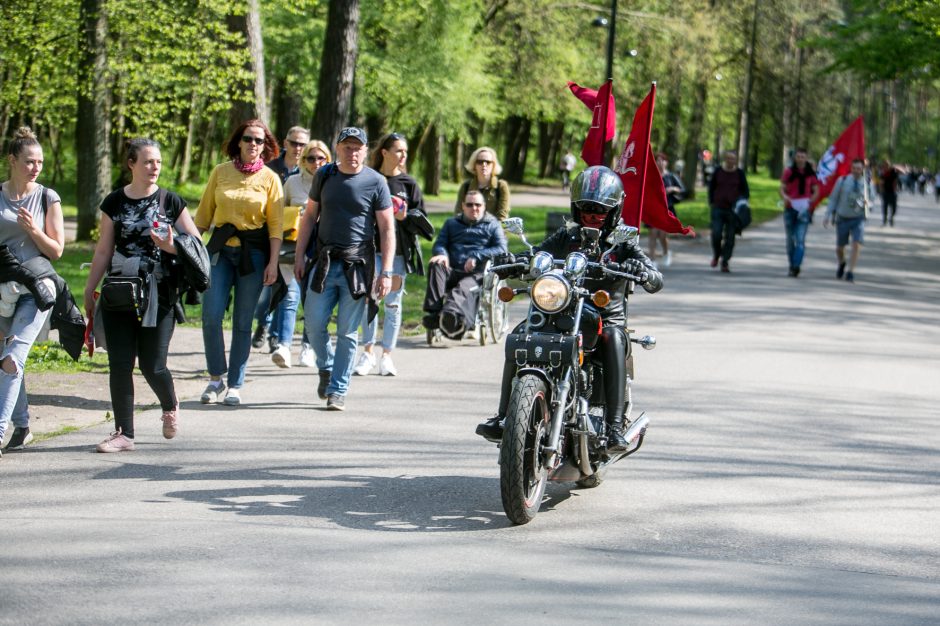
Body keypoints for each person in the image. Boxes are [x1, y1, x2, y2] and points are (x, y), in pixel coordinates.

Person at [476, 166, 663, 451]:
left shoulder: (622, 243)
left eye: (599, 212)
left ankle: (614, 427)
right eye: (586, 210)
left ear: (613, 211)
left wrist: (642, 270)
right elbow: (538, 253)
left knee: (613, 337)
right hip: (561, 311)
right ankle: (504, 416)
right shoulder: (567, 238)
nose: (592, 217)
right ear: (576, 210)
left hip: (604, 318)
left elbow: (654, 277)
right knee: (521, 331)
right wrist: (515, 260)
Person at [83, 139, 201, 453]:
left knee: (153, 366)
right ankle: (124, 433)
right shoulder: (114, 202)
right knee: (120, 364)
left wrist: (171, 246)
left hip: (159, 294)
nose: (154, 167)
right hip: (120, 291)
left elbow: (197, 244)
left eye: (158, 162)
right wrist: (89, 289)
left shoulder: (170, 201)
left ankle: (170, 403)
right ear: (131, 164)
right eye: (148, 161)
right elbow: (104, 249)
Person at [292, 127, 394, 411]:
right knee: (313, 324)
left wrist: (385, 272)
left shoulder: (376, 181)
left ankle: (337, 390)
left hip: (358, 268)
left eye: (358, 147)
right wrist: (300, 255)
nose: (353, 152)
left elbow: (387, 228)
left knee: (348, 333)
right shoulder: (324, 176)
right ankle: (325, 367)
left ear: (365, 150)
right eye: (347, 147)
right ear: (337, 149)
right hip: (324, 262)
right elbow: (310, 217)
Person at [195, 119, 284, 406]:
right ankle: (215, 378)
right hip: (220, 252)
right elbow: (202, 219)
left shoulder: (271, 179)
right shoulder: (220, 172)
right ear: (239, 141)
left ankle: (235, 384)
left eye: (259, 140)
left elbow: (275, 227)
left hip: (254, 255)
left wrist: (273, 263)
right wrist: (192, 254)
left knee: (243, 321)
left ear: (266, 146)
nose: (253, 145)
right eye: (248, 139)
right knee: (210, 315)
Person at [0, 128, 65, 458]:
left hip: (37, 288)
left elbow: (56, 251)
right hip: (2, 289)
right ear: (12, 160)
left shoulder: (47, 197)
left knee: (13, 356)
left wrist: (33, 231)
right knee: (5, 359)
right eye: (29, 161)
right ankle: (22, 424)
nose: (35, 167)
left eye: (39, 161)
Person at [354, 133, 427, 377]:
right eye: (398, 150)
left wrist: (405, 216)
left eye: (405, 151)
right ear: (384, 152)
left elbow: (422, 221)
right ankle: (367, 353)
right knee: (370, 300)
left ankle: (387, 356)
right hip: (367, 250)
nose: (403, 155)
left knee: (393, 304)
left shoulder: (409, 184)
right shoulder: (369, 178)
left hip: (396, 253)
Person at [272, 139, 331, 369]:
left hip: (319, 250)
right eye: (310, 158)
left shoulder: (332, 181)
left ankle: (307, 347)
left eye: (320, 158)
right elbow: (280, 212)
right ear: (303, 160)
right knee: (290, 295)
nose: (316, 163)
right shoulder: (293, 182)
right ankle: (284, 346)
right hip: (292, 247)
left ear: (327, 159)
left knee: (312, 299)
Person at [252, 125, 310, 352]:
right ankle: (263, 323)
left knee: (287, 288)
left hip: (296, 239)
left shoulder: (308, 171)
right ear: (285, 143)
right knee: (267, 287)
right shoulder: (271, 168)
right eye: (294, 143)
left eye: (302, 144)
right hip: (270, 235)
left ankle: (275, 335)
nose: (298, 148)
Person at [422, 190, 507, 339]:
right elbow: (440, 243)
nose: (474, 208)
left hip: (477, 274)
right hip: (452, 269)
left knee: (463, 288)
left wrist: (477, 255)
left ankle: (449, 315)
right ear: (463, 206)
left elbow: (502, 249)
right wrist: (442, 253)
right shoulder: (451, 223)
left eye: (478, 205)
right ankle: (434, 314)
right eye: (469, 204)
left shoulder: (493, 225)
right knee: (436, 264)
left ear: (484, 206)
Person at [825, 158, 875, 283]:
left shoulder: (867, 183)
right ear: (851, 168)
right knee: (840, 248)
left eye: (859, 168)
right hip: (842, 217)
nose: (857, 171)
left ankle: (850, 271)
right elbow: (833, 199)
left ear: (863, 169)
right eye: (854, 168)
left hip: (858, 218)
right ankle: (842, 262)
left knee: (856, 244)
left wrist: (868, 204)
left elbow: (872, 200)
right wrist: (827, 215)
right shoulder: (842, 181)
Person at [780, 148, 820, 277]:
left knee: (800, 240)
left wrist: (810, 202)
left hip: (804, 210)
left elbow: (816, 190)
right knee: (790, 240)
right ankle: (792, 264)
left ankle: (796, 265)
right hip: (790, 208)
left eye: (803, 156)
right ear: (795, 158)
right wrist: (785, 197)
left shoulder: (811, 174)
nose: (800, 159)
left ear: (806, 158)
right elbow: (782, 188)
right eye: (798, 156)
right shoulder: (789, 172)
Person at [707, 150, 749, 273]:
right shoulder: (718, 171)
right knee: (716, 234)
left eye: (733, 159)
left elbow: (746, 192)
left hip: (733, 210)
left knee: (730, 238)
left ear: (736, 160)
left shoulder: (739, 174)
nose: (731, 161)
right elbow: (711, 187)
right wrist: (711, 202)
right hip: (718, 208)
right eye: (728, 158)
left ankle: (725, 261)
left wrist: (741, 202)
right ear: (725, 159)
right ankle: (716, 255)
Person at [647, 152, 684, 269]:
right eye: (657, 160)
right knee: (653, 233)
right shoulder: (651, 175)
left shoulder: (671, 176)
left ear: (666, 162)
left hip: (667, 209)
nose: (660, 162)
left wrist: (672, 188)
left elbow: (682, 189)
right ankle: (652, 260)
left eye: (662, 160)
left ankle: (666, 252)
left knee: (662, 235)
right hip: (654, 208)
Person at [455, 147, 510, 220]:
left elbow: (502, 216)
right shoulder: (466, 186)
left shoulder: (501, 186)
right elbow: (459, 213)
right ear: (474, 165)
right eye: (480, 162)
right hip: (469, 229)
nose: (484, 164)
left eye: (488, 162)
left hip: (493, 229)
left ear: (493, 165)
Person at [878, 160, 900, 226]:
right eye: (884, 165)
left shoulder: (893, 172)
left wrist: (896, 188)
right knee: (885, 207)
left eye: (887, 165)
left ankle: (891, 218)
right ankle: (884, 220)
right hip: (885, 192)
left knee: (894, 207)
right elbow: (881, 182)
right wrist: (881, 191)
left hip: (893, 192)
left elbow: (896, 181)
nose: (885, 166)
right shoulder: (883, 173)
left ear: (889, 165)